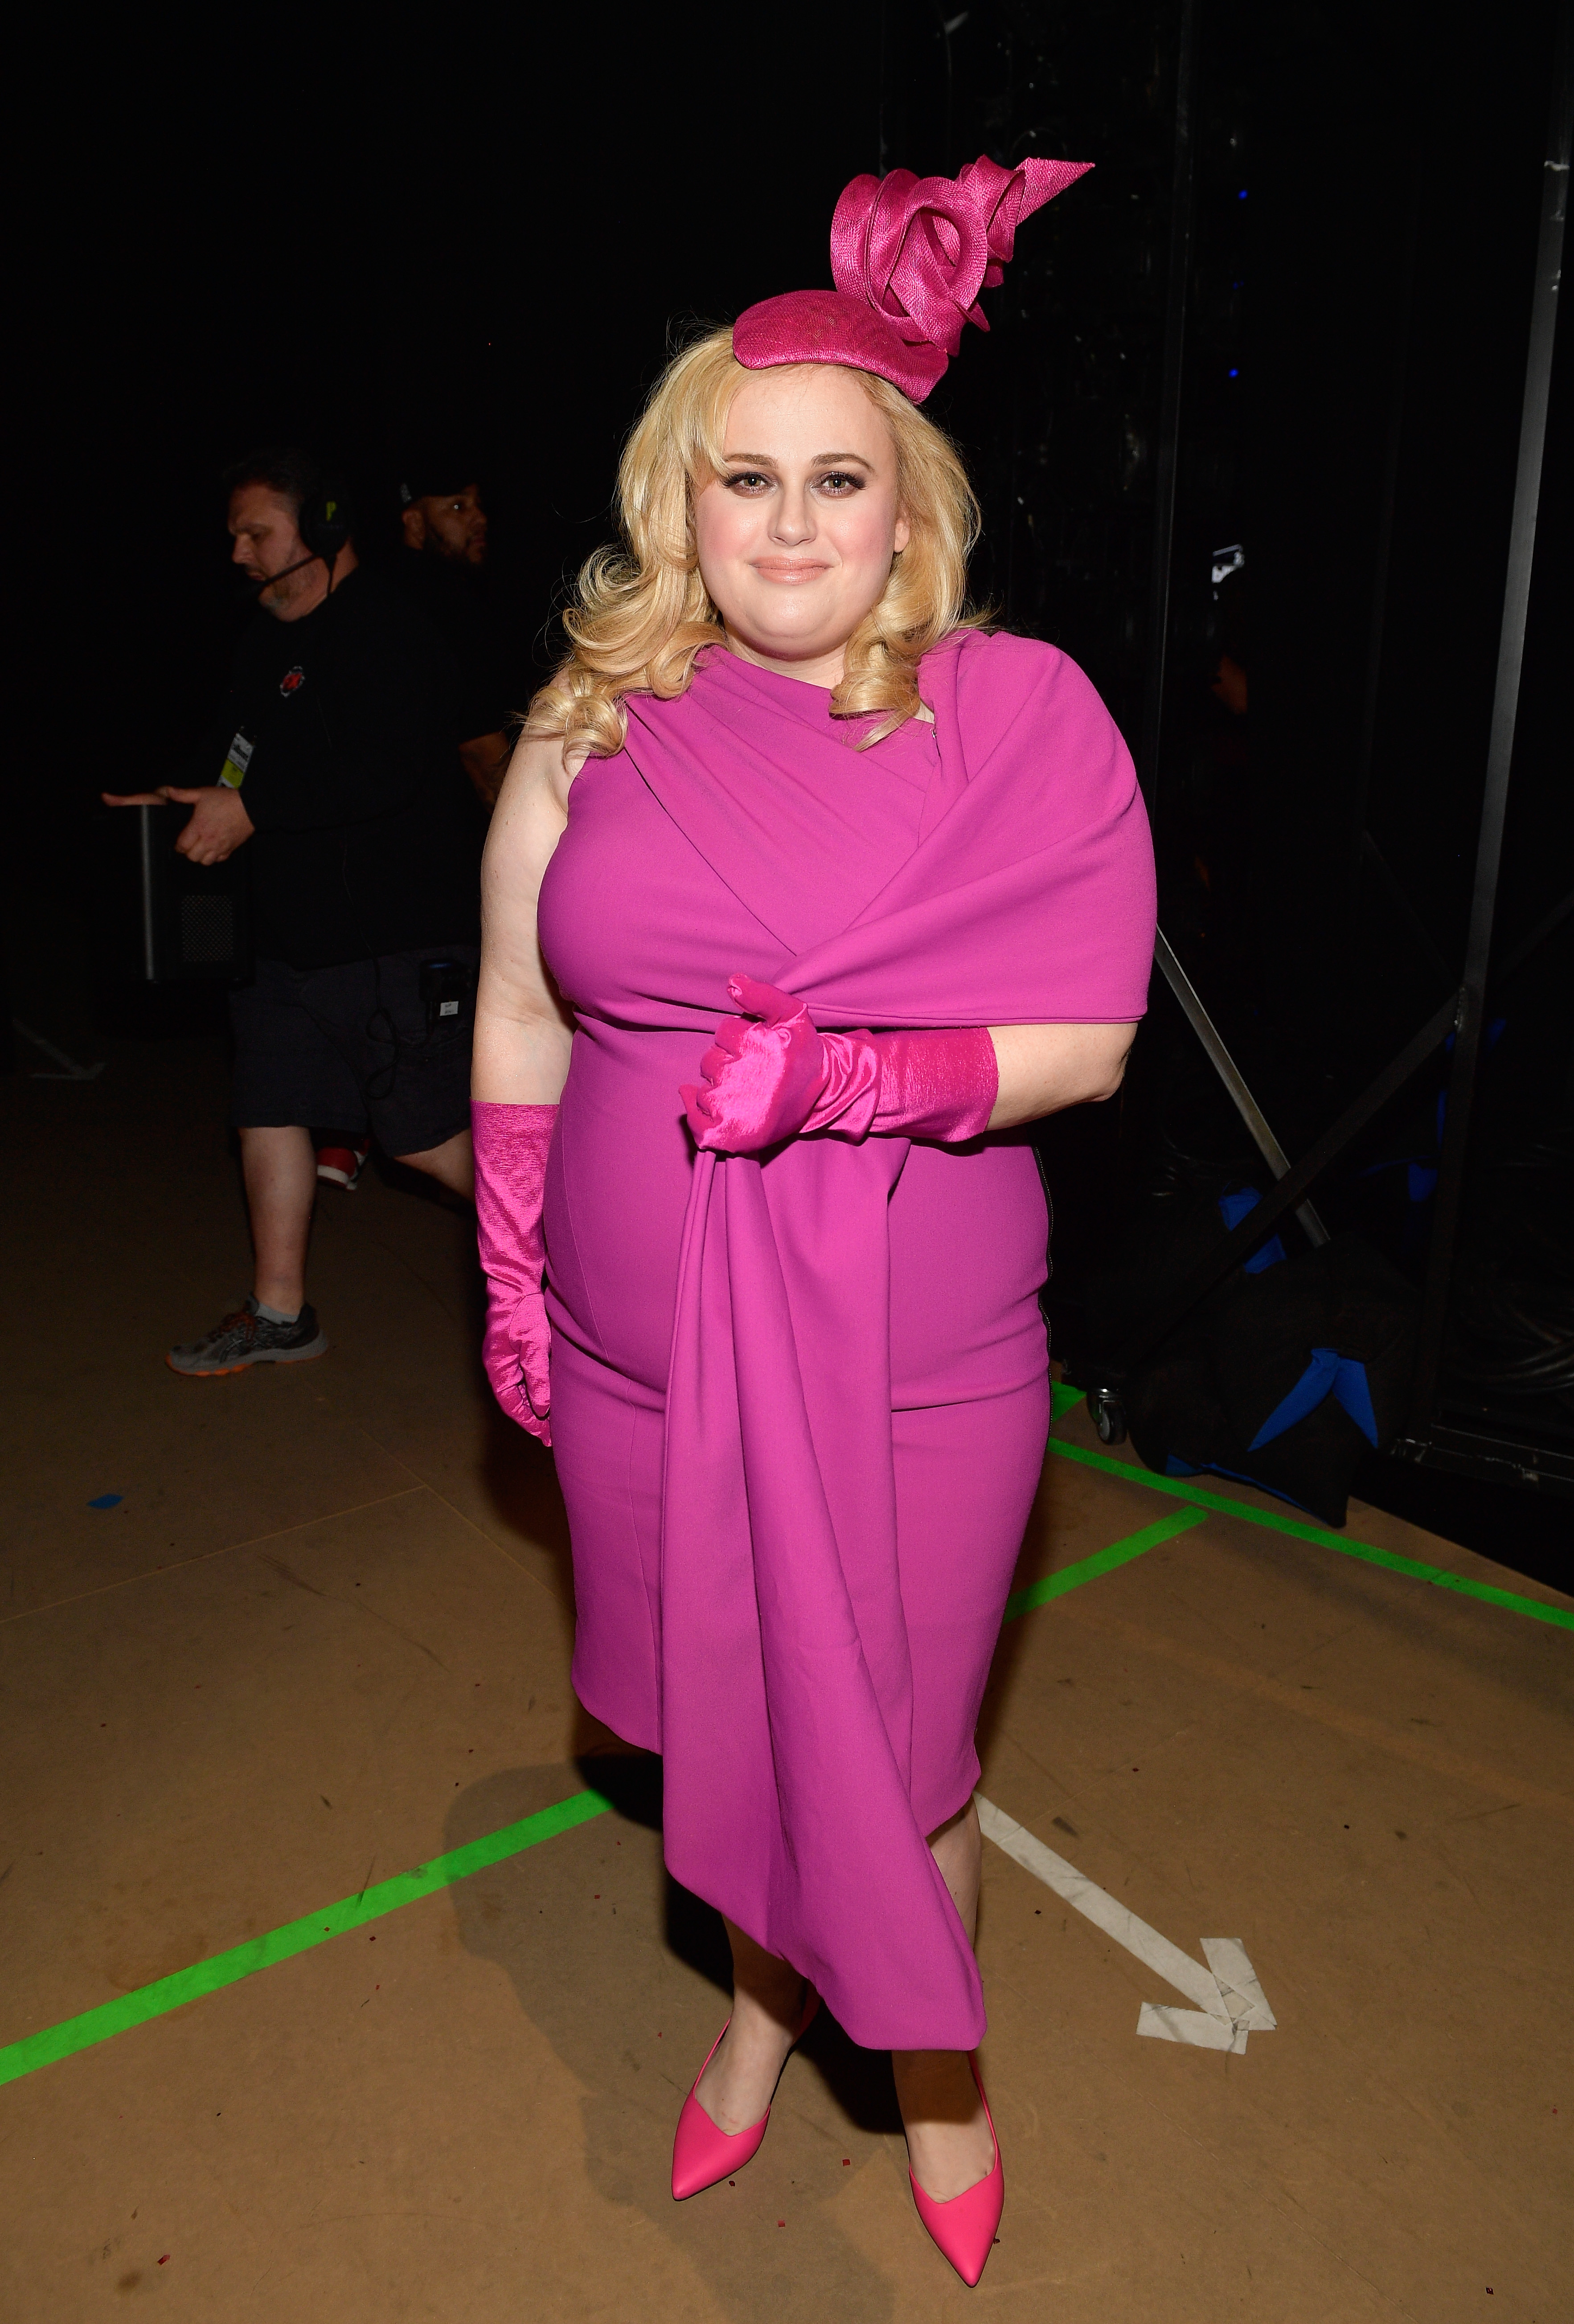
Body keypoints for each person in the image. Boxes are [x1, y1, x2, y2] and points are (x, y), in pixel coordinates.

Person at [472, 157, 1155, 2287]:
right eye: (740, 477)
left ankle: (937, 2078)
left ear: (906, 502)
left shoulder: (1016, 711)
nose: (786, 524)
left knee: (900, 1745)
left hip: (917, 1354)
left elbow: (1091, 1033)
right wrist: (513, 1263)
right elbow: (514, 1006)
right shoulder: (593, 724)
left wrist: (869, 1076)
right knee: (731, 1716)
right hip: (639, 1340)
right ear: (678, 501)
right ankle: (762, 2015)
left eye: (833, 478)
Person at [104, 447, 482, 1376]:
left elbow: (384, 769)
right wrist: (189, 801)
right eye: (234, 535)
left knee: (427, 1140)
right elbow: (239, 757)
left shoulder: (390, 628)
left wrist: (255, 809)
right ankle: (280, 1312)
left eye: (255, 533)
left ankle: (588, 1263)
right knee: (268, 1108)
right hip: (282, 941)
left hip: (390, 936)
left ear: (321, 529)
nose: (238, 553)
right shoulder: (264, 642)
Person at [398, 461, 518, 806]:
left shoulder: (399, 592)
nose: (479, 518)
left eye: (477, 504)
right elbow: (483, 754)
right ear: (416, 523)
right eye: (457, 507)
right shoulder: (438, 600)